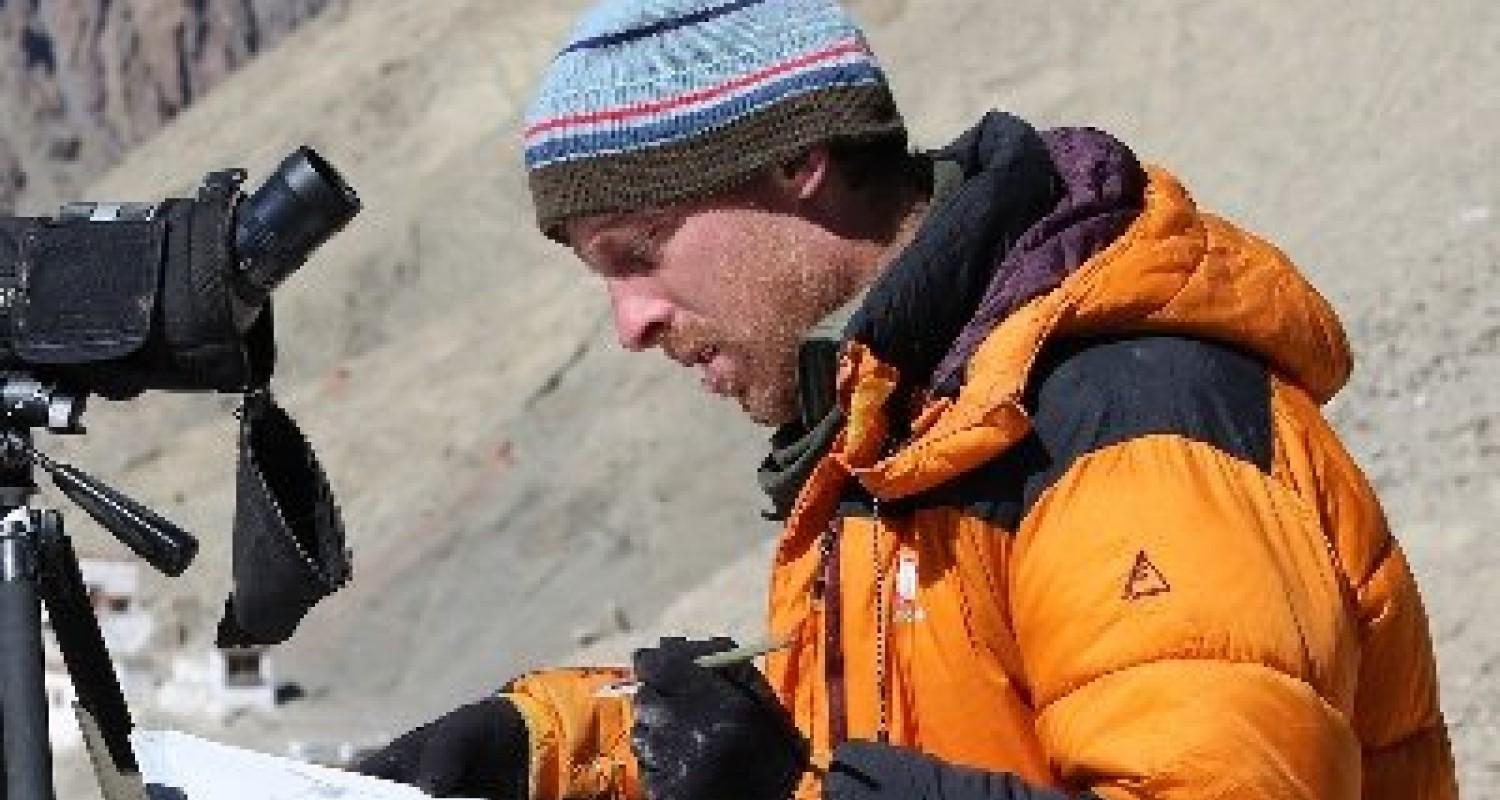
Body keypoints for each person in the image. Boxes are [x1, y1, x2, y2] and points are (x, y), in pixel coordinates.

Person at [355, 1, 1459, 798]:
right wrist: (543, 745)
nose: (630, 323)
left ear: (798, 159)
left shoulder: (1125, 424)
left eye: (640, 251)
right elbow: (881, 731)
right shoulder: (901, 420)